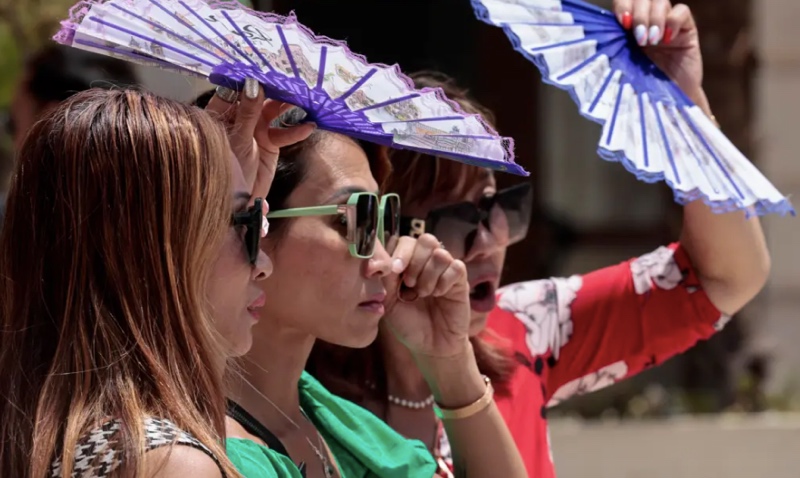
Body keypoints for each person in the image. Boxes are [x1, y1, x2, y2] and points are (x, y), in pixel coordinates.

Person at [306, 1, 772, 477]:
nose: (490, 240)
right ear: (379, 231)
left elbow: (724, 278)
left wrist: (681, 102)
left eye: (499, 207)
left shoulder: (522, 328)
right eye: (456, 220)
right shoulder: (303, 389)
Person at [206, 83, 527, 477]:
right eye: (349, 220)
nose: (382, 259)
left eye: (382, 220)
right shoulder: (205, 457)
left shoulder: (340, 426)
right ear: (251, 226)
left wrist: (449, 361)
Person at [0, 83, 310, 477]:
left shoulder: (49, 426)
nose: (263, 263)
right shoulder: (170, 464)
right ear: (153, 252)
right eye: (243, 226)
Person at [1, 45, 139, 223]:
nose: (15, 146)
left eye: (12, 126)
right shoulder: (161, 227)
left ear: (50, 122)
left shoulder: (15, 227)